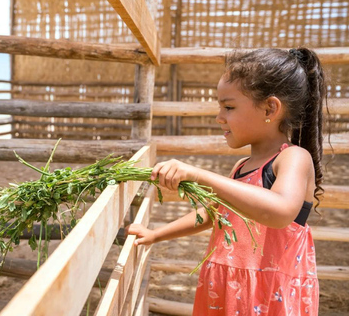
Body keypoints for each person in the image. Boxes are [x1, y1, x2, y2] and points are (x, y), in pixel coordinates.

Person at [127, 47, 327, 315]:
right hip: (227, 289)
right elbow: (215, 213)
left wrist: (199, 175)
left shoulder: (293, 158)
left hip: (268, 296)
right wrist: (155, 235)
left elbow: (279, 211)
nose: (219, 117)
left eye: (229, 107)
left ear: (270, 107)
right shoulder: (241, 167)